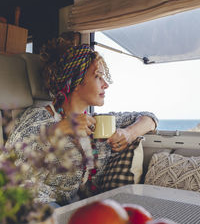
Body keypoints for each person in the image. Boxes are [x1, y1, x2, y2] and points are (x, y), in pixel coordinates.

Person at [6, 37, 158, 206]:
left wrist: (129, 133)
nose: (105, 84)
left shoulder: (99, 122)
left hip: (78, 207)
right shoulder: (39, 117)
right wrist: (60, 129)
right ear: (76, 82)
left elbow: (149, 117)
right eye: (98, 77)